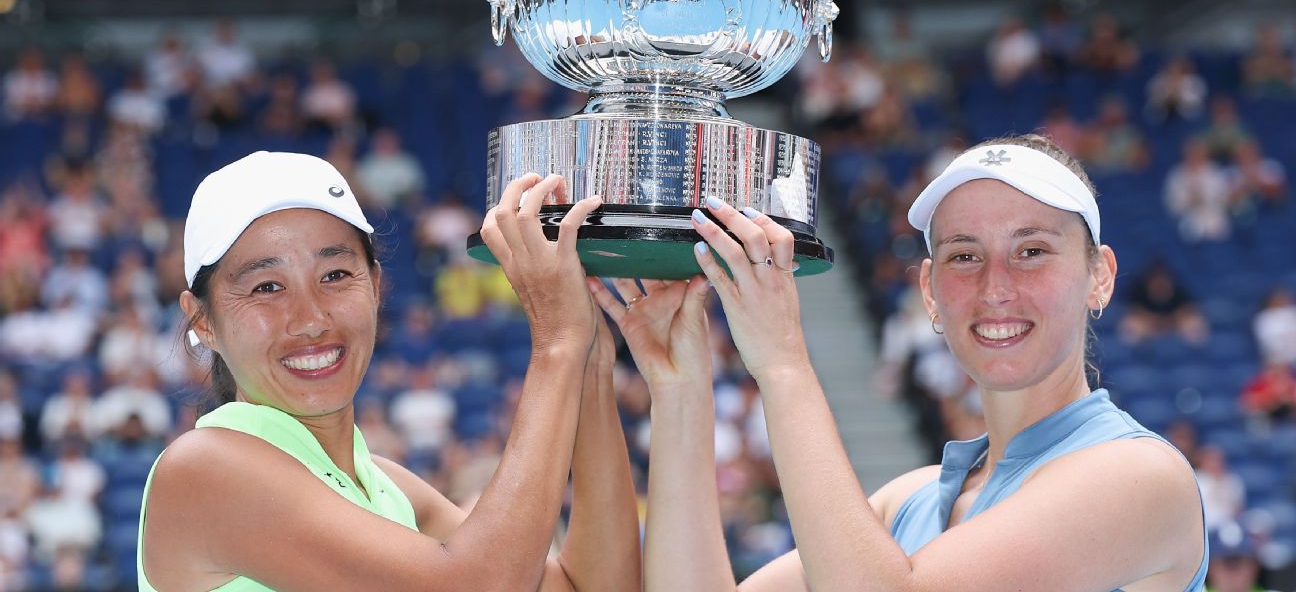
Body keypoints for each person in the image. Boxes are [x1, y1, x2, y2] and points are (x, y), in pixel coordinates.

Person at [590, 134, 1207, 591]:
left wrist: (782, 364)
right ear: (930, 292)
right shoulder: (907, 502)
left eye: (1032, 250)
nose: (996, 287)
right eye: (965, 256)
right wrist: (680, 389)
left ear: (1099, 276)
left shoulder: (1139, 476)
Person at [137, 153, 640, 592]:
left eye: (334, 276)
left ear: (375, 287)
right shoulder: (204, 468)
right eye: (267, 287)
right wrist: (556, 343)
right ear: (203, 321)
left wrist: (590, 362)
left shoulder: (386, 485)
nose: (311, 319)